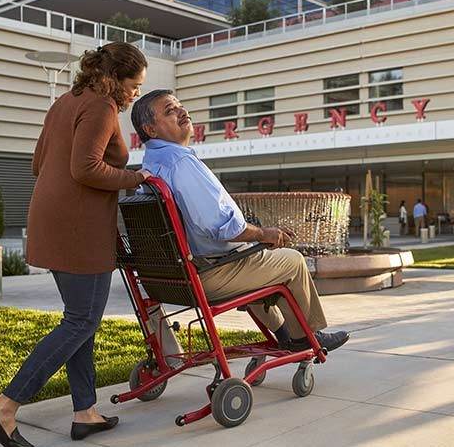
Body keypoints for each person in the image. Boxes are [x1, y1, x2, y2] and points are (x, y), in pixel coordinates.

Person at [0, 42, 152, 447]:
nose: (136, 94)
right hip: (79, 226)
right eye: (135, 85)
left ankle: (85, 411)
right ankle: (4, 408)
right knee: (81, 320)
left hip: (51, 217)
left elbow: (39, 164)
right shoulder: (102, 106)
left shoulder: (66, 101)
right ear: (116, 79)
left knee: (81, 321)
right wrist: (135, 178)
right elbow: (85, 167)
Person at [131, 89, 349, 353]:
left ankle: (284, 336)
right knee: (291, 261)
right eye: (170, 111)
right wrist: (262, 234)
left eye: (179, 106)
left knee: (253, 259)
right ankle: (307, 338)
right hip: (208, 275)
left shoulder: (152, 164)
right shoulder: (180, 162)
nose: (181, 111)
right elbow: (220, 225)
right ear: (150, 130)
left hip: (174, 279)